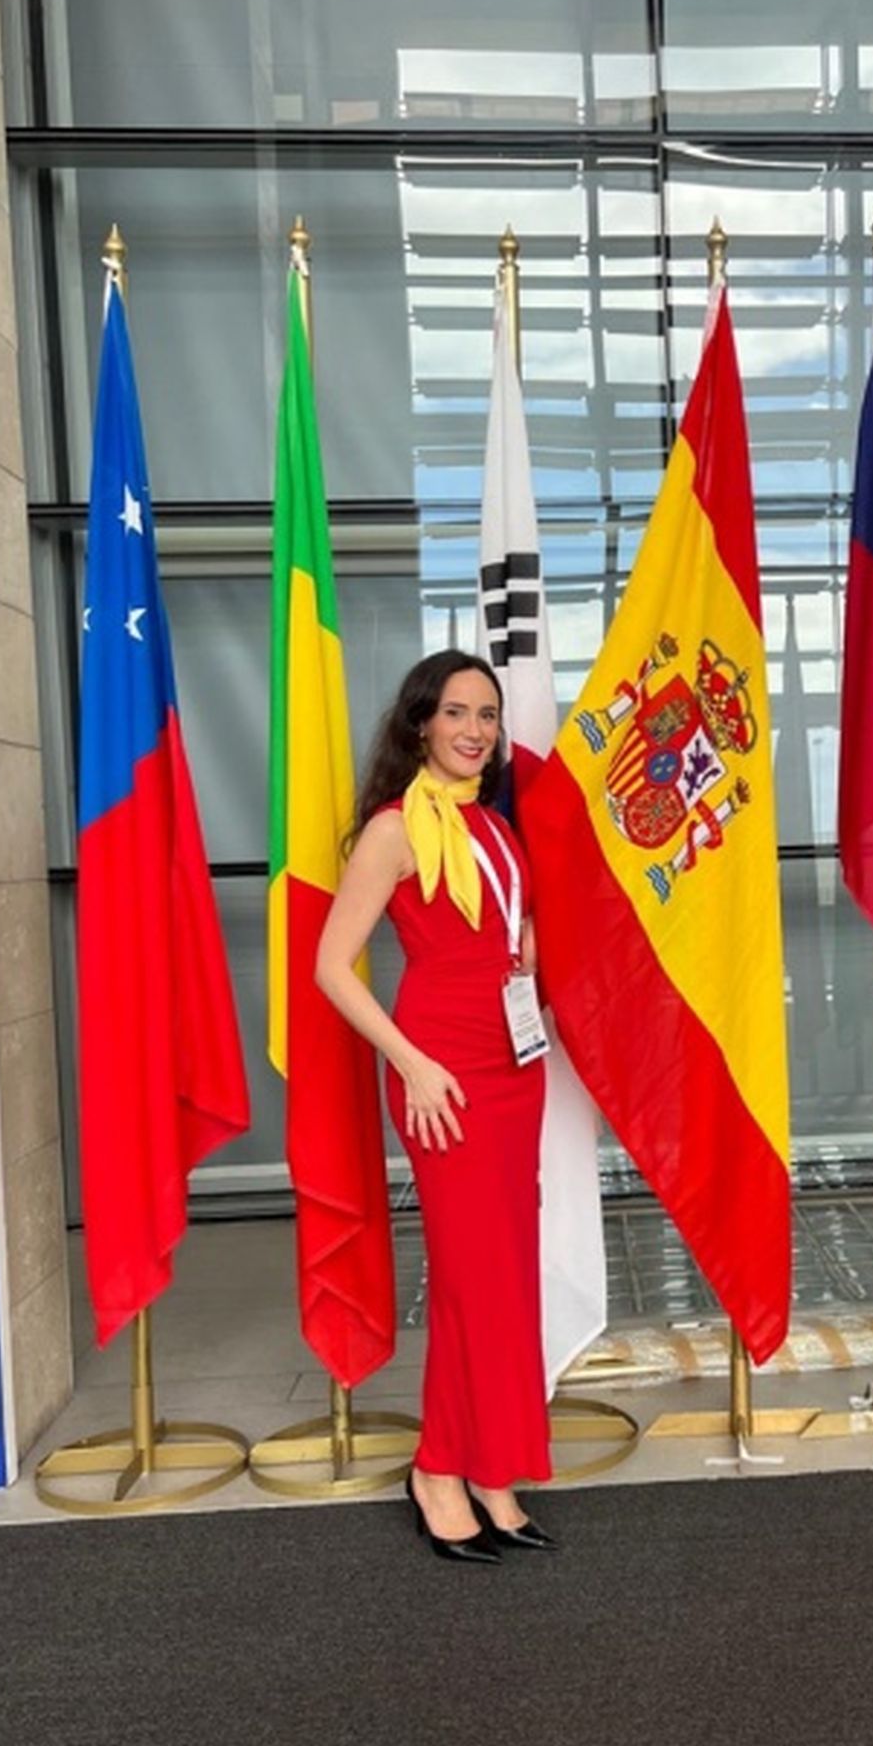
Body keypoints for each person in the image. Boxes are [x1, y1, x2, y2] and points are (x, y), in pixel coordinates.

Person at [316, 650, 556, 1563]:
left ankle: (490, 1465)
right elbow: (332, 967)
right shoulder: (395, 828)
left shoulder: (490, 825)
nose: (475, 730)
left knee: (503, 1272)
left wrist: (525, 932)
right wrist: (411, 1064)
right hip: (440, 1068)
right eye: (457, 712)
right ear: (421, 722)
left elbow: (499, 918)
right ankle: (438, 1469)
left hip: (511, 1065)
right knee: (466, 1276)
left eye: (488, 715)